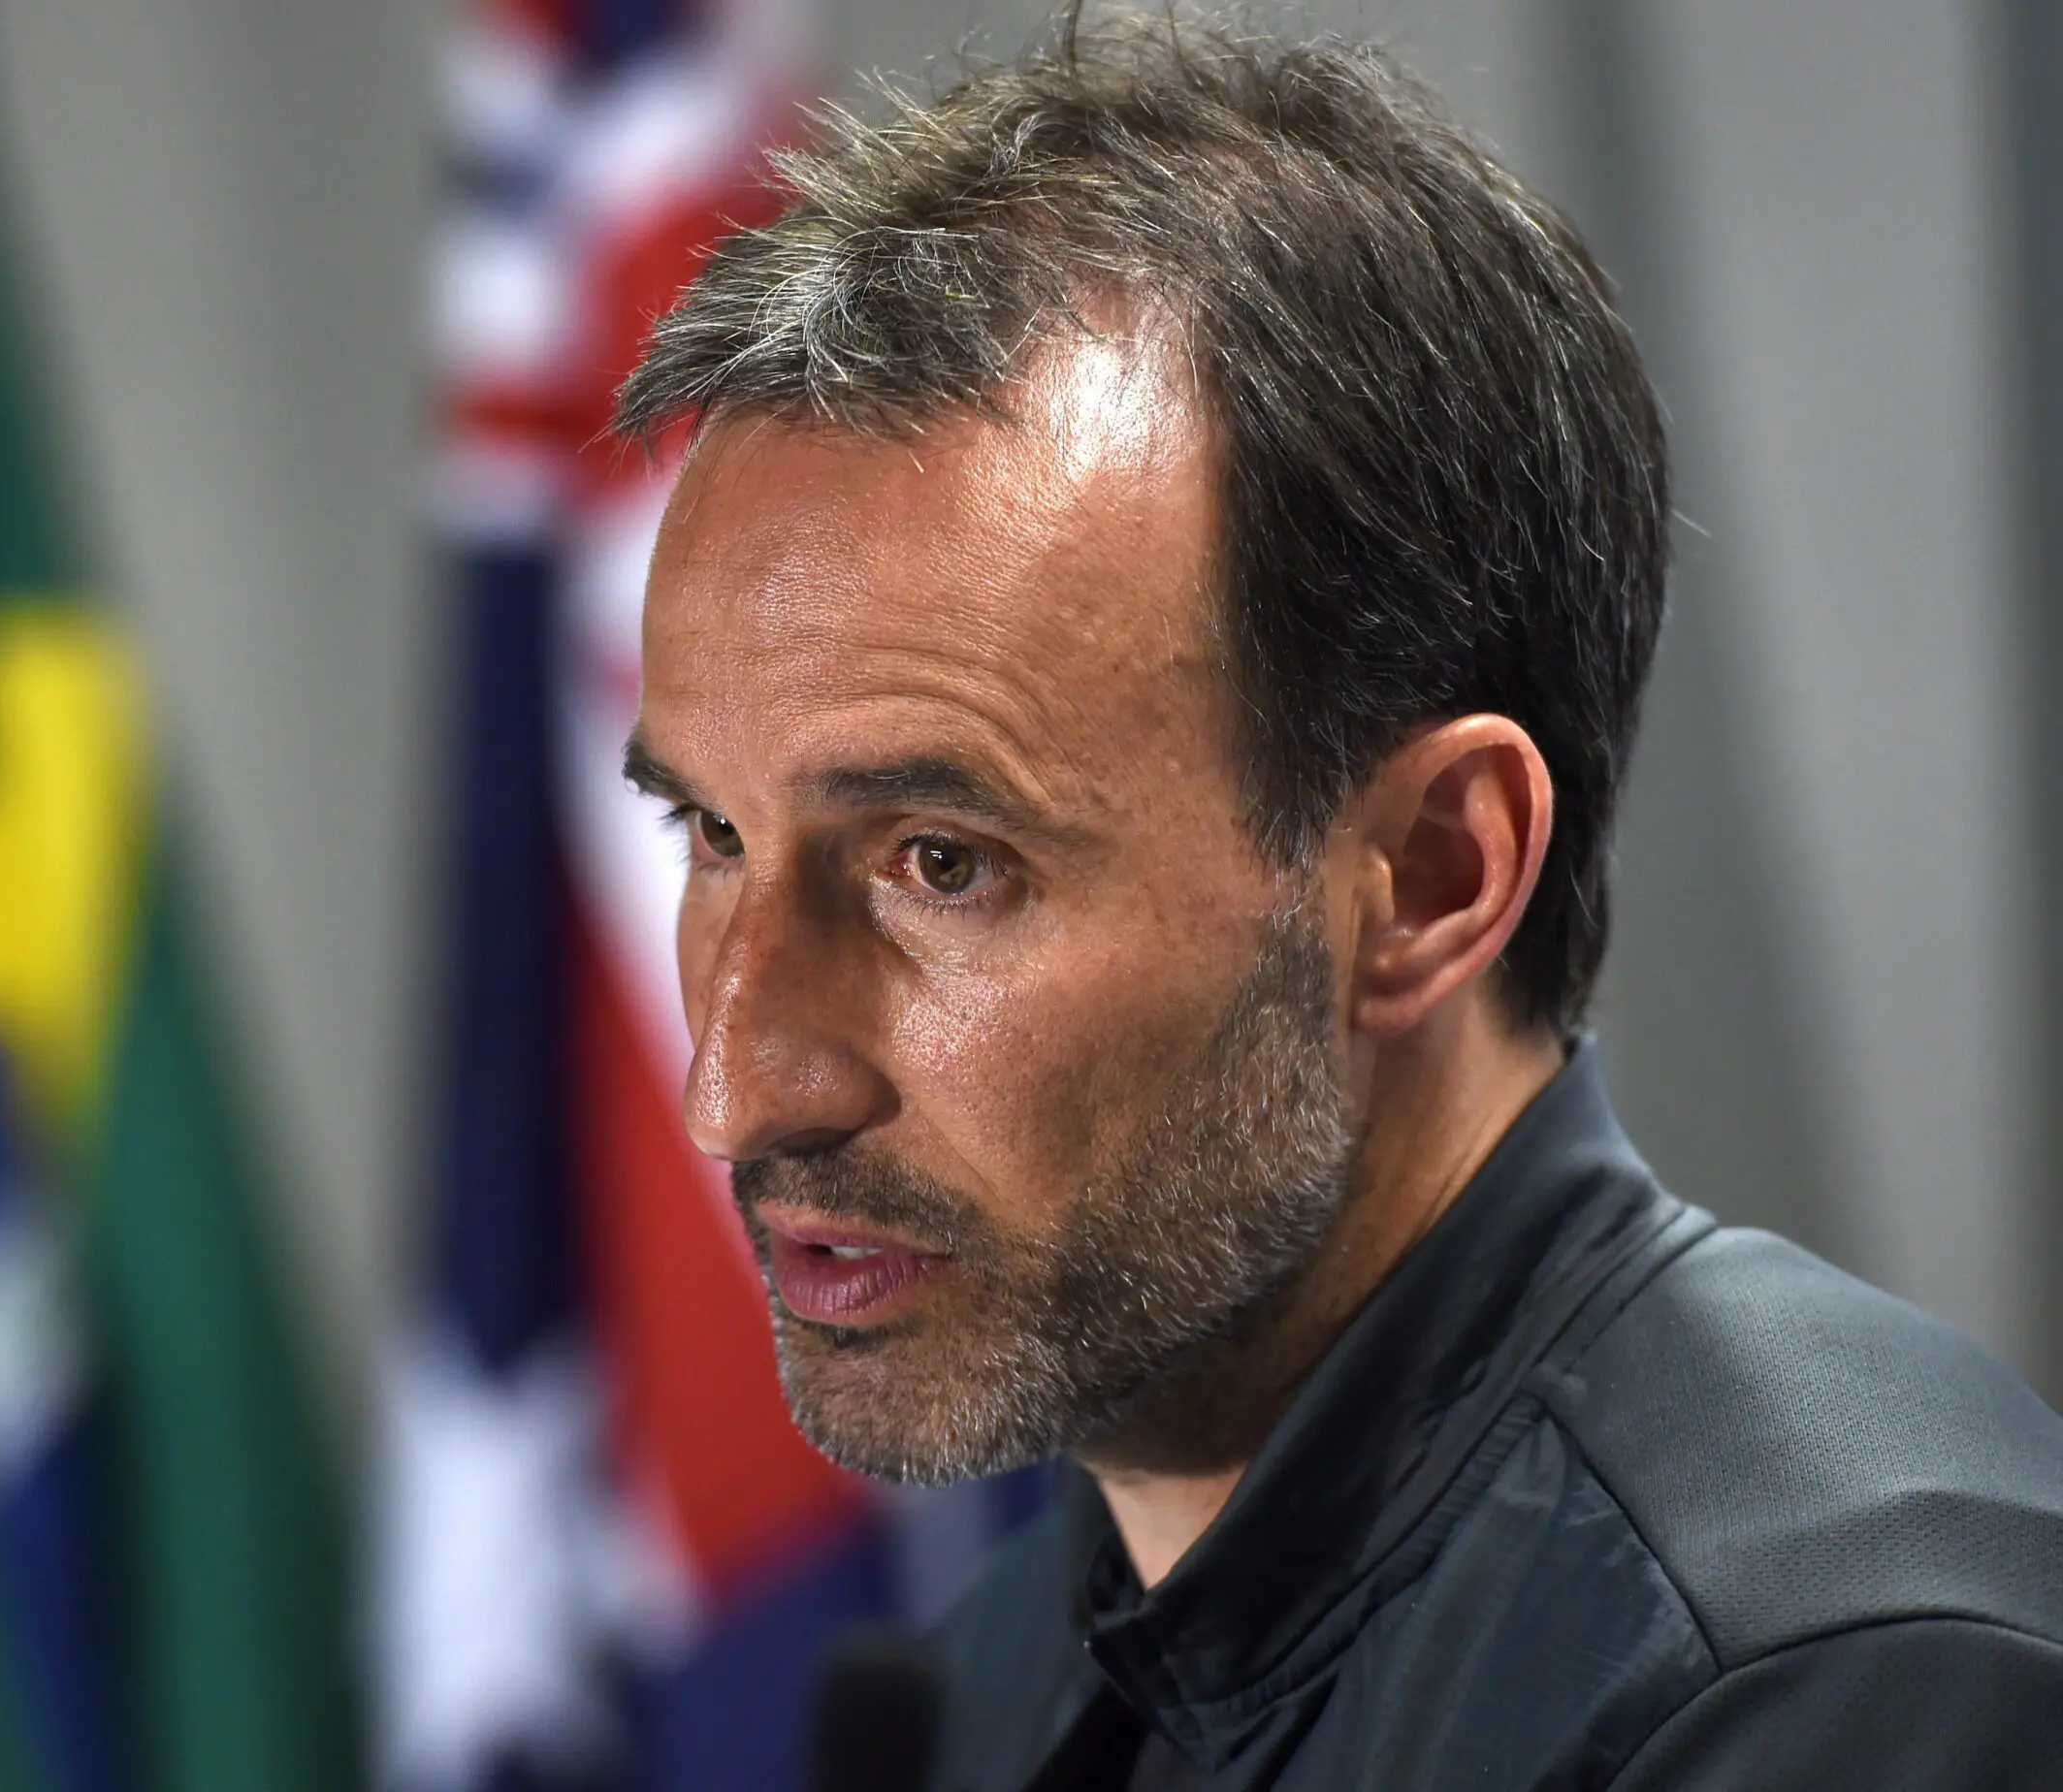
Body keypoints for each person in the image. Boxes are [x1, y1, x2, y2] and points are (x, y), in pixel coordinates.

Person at [613, 13, 2063, 1788]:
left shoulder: (1846, 1679)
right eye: (713, 833)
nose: (737, 1086)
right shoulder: (995, 1680)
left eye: (944, 863)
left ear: (1434, 875)